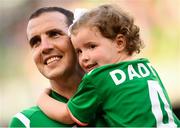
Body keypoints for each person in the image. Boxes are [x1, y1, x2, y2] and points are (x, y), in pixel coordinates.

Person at [38, 4, 180, 127]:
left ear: (119, 43)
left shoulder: (99, 78)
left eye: (92, 46)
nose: (84, 57)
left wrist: (43, 100)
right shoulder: (146, 67)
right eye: (79, 51)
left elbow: (68, 115)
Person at [9, 6, 104, 127]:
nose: (45, 47)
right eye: (36, 42)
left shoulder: (120, 94)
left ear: (78, 38)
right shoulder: (26, 122)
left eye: (54, 34)